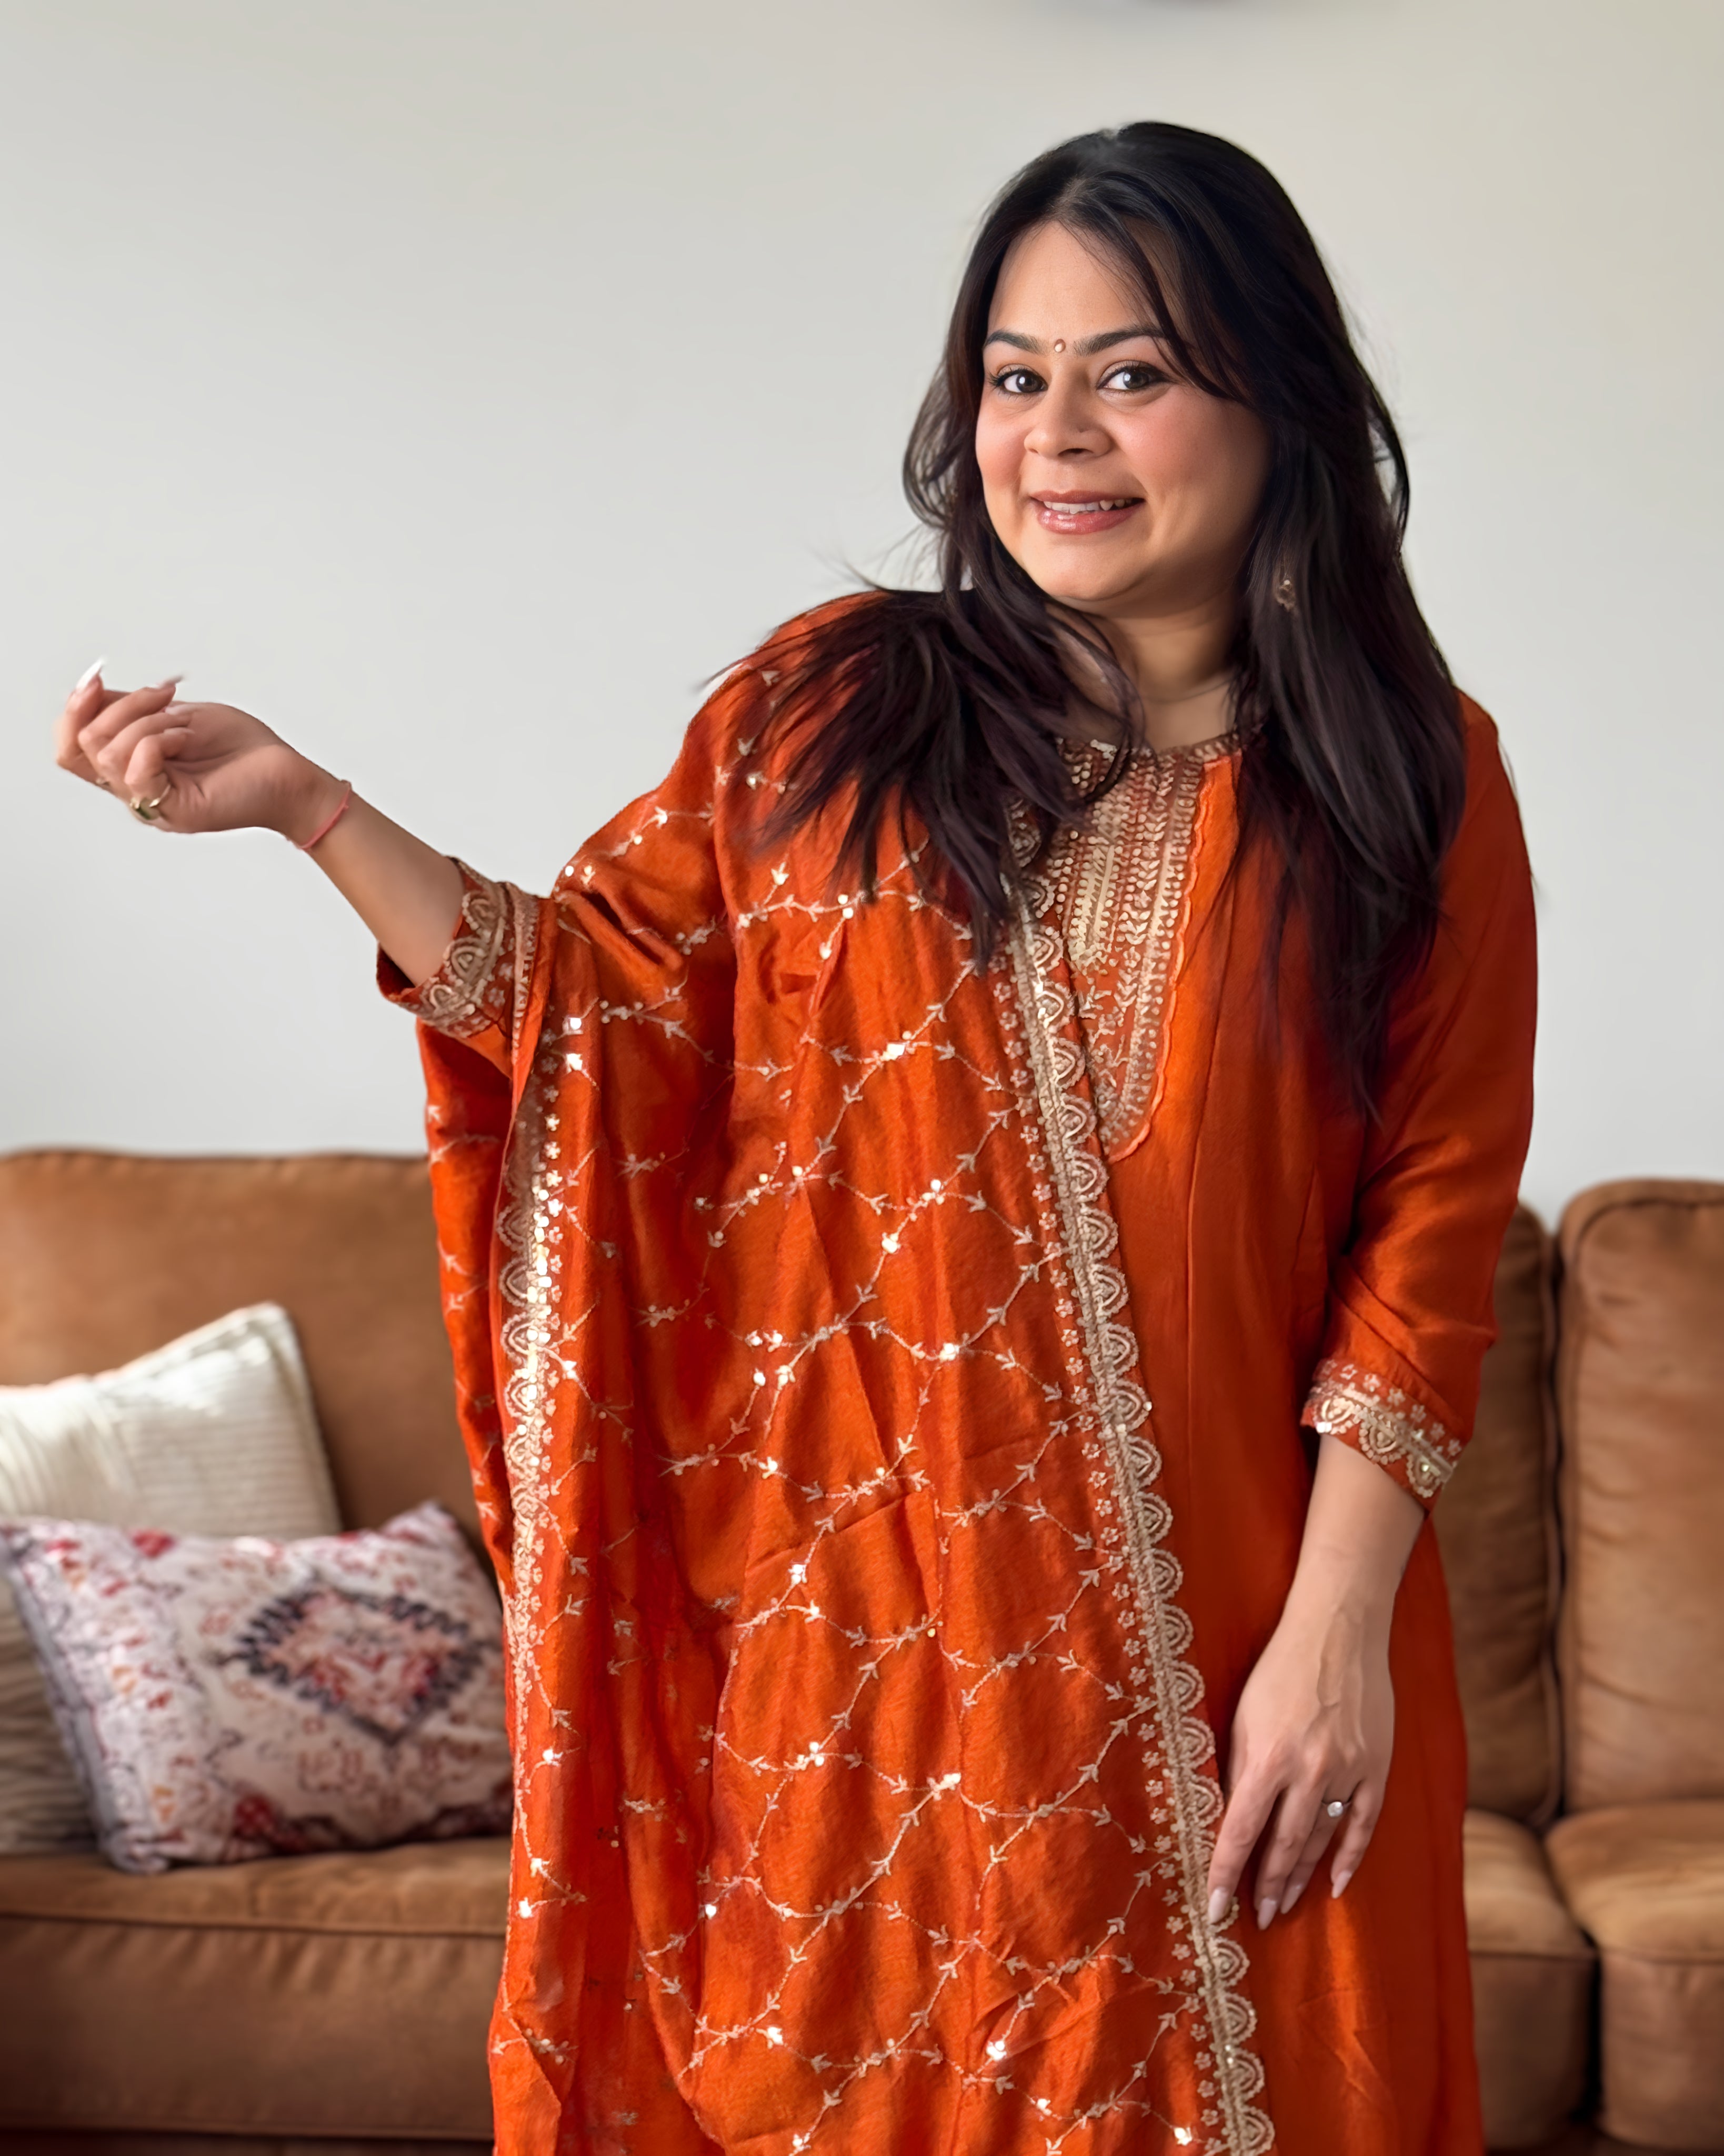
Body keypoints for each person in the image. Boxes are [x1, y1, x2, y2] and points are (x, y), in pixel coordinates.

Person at [54, 121, 1533, 2156]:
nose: (1056, 435)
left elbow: (1430, 1229)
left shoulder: (1411, 775)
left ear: (1277, 398)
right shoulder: (833, 717)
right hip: (879, 1664)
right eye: (1013, 375)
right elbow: (597, 1017)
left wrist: (1334, 1642)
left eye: (1132, 371)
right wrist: (313, 810)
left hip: (1256, 1651)